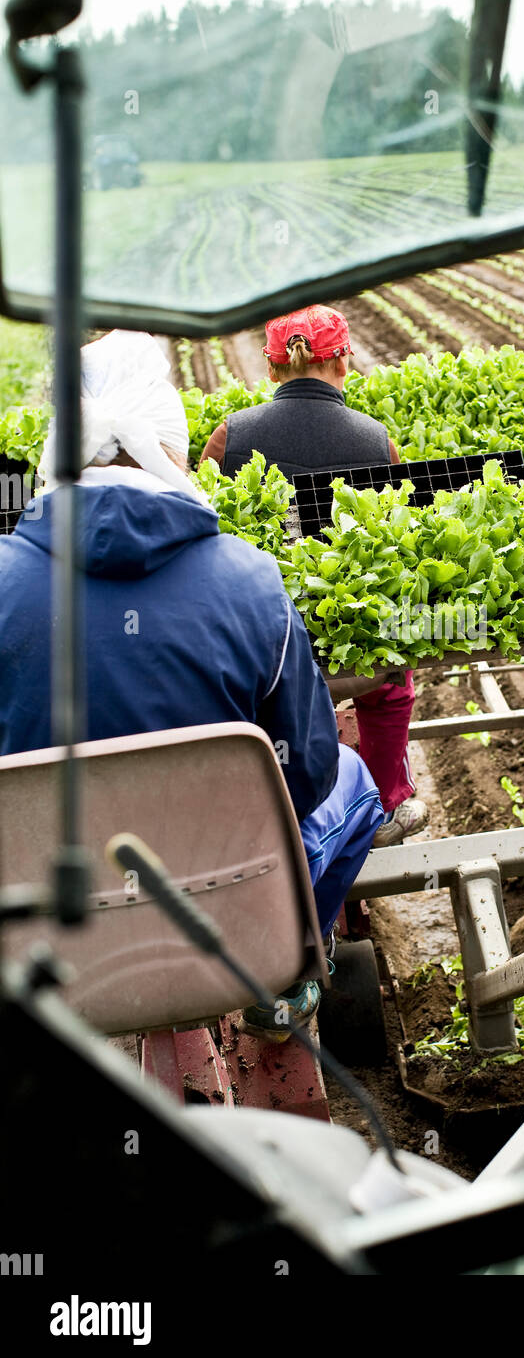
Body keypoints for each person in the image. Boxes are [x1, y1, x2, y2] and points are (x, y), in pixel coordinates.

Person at [0, 329, 385, 1039]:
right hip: (226, 903)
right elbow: (310, 767)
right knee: (356, 783)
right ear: (169, 451)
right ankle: (282, 991)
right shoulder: (251, 581)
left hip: (43, 918)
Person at [201, 305, 428, 848]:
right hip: (352, 643)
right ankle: (386, 799)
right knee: (394, 679)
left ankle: (275, 808)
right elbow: (398, 547)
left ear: (273, 370)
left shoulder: (230, 437)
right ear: (343, 360)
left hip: (262, 644)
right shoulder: (376, 441)